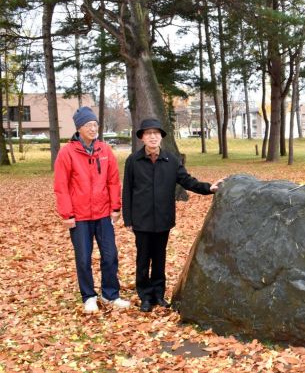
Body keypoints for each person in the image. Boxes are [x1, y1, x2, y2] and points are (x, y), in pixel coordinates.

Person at [122, 118, 220, 312]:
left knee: (159, 257)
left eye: (156, 133)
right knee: (143, 260)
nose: (152, 137)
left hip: (163, 219)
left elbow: (187, 181)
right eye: (148, 133)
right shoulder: (133, 161)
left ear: (161, 137)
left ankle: (158, 293)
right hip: (141, 220)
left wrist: (209, 188)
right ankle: (145, 296)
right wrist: (128, 219)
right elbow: (127, 191)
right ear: (142, 137)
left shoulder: (171, 160)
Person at [54, 107, 131, 313]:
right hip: (79, 217)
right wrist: (67, 214)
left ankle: (110, 294)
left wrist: (116, 207)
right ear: (79, 128)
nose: (93, 128)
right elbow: (61, 186)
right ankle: (88, 296)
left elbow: (113, 181)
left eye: (95, 124)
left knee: (110, 255)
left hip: (103, 213)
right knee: (83, 258)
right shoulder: (67, 152)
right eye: (89, 125)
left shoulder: (104, 150)